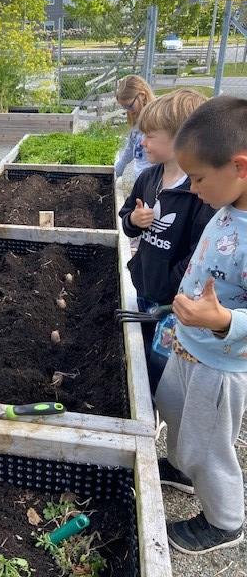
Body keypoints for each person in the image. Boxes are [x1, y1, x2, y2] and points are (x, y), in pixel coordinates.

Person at [156, 96, 247, 555]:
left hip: (219, 364)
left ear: (239, 167)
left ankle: (225, 522)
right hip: (188, 345)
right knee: (172, 408)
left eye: (198, 178)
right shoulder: (227, 207)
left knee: (208, 445)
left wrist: (223, 320)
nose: (192, 189)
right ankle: (181, 469)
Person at [118, 89, 214, 394]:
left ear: (181, 139)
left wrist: (172, 287)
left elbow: (200, 252)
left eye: (150, 136)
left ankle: (155, 405)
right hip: (145, 287)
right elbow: (126, 221)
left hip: (173, 303)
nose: (142, 142)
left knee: (161, 365)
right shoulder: (148, 179)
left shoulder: (198, 192)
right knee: (140, 351)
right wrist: (134, 221)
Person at [114, 75, 155, 179]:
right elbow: (132, 146)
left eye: (130, 106)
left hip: (152, 178)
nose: (129, 111)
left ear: (142, 96)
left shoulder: (156, 121)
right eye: (125, 107)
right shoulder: (136, 121)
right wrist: (122, 164)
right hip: (139, 178)